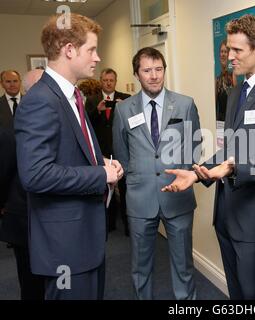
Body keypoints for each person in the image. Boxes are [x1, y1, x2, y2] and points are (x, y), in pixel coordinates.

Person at [162, 14, 255, 300]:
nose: (229, 57)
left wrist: (228, 169)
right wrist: (199, 173)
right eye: (228, 49)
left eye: (237, 50)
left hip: (254, 215)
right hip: (227, 213)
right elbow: (232, 146)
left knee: (252, 293)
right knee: (236, 293)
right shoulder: (237, 91)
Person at [14, 13, 123, 300]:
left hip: (84, 238)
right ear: (69, 50)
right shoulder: (41, 101)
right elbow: (35, 174)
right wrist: (100, 175)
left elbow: (71, 153)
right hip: (65, 247)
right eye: (91, 50)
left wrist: (101, 163)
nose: (98, 58)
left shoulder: (70, 96)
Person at [112, 47, 201, 300]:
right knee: (140, 267)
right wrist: (139, 176)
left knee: (183, 265)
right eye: (147, 70)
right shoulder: (124, 110)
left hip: (178, 196)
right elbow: (122, 154)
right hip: (140, 199)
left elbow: (194, 147)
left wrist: (183, 174)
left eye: (158, 69)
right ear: (137, 74)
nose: (154, 76)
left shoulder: (185, 104)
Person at [0, 68, 45, 300]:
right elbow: (5, 167)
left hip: (52, 212)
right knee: (29, 277)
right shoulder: (11, 132)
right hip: (21, 209)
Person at [86, 68, 131, 235]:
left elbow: (133, 124)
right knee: (105, 188)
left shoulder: (126, 99)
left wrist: (123, 109)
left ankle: (129, 226)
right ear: (100, 81)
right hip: (102, 152)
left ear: (116, 81)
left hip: (122, 150)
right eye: (105, 80)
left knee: (126, 190)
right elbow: (87, 125)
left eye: (111, 80)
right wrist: (97, 110)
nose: (108, 83)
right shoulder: (92, 100)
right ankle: (109, 224)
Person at [215, 39, 236, 121]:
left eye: (225, 52)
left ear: (228, 55)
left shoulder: (233, 76)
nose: (223, 54)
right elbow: (215, 105)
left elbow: (236, 101)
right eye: (221, 51)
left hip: (231, 119)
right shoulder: (217, 80)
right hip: (220, 122)